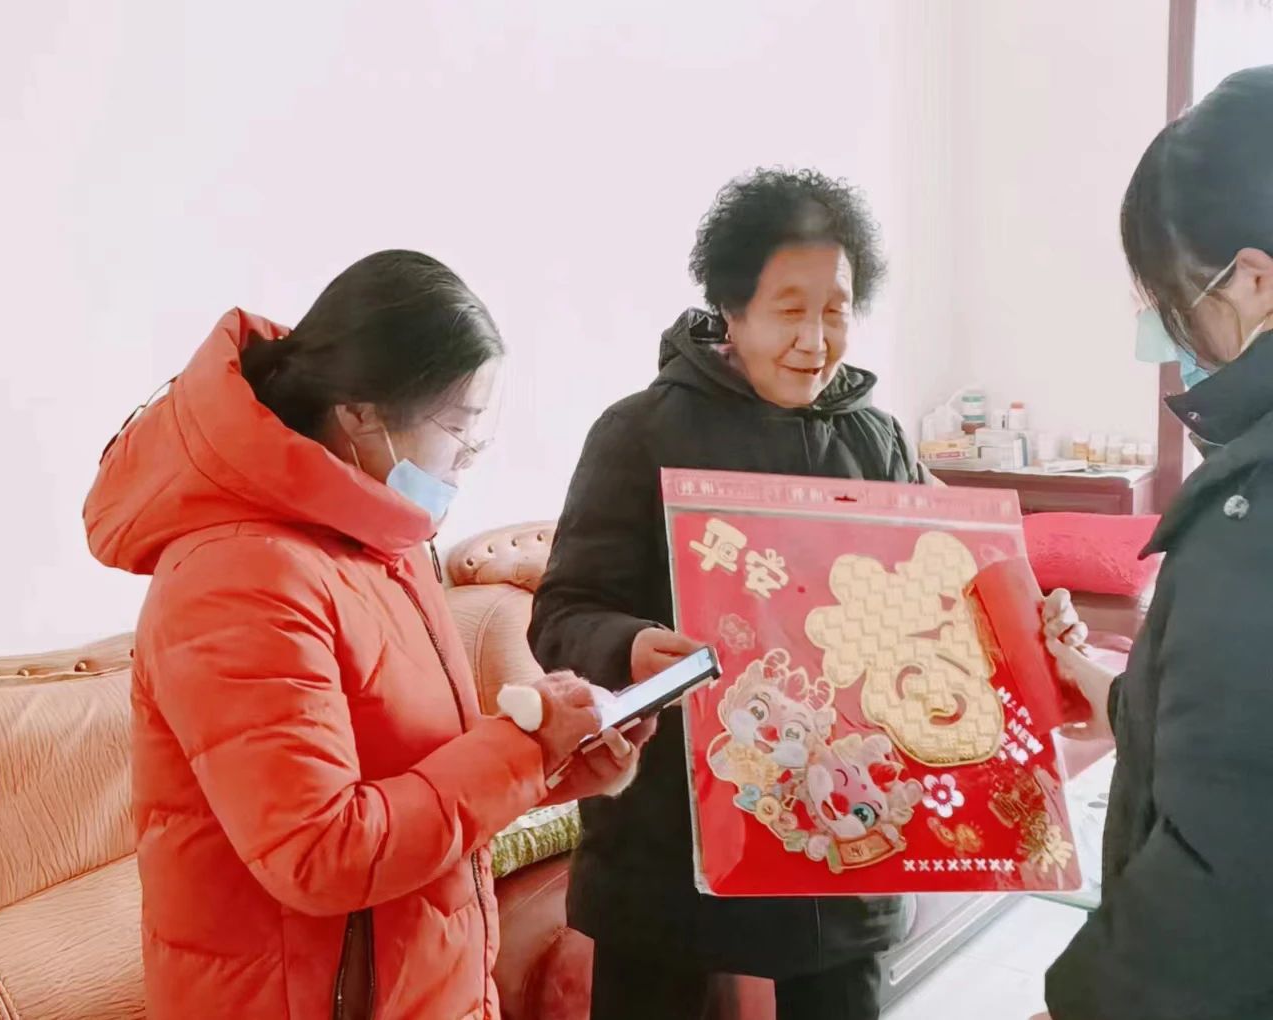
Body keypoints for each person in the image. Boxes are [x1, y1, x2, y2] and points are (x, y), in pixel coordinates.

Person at [83, 250, 653, 1020]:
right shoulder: (237, 577)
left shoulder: (382, 542)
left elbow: (417, 776)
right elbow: (322, 853)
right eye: (460, 429)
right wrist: (522, 750)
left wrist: (556, 761)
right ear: (359, 413)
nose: (469, 459)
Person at [528, 169, 928, 1020]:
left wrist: (1026, 616)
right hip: (668, 847)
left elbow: (939, 594)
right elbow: (562, 614)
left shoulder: (879, 442)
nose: (816, 340)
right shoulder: (638, 433)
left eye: (836, 310)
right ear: (731, 308)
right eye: (789, 310)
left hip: (840, 837)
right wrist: (630, 645)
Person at [1034, 66, 1273, 1020]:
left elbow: (1225, 856)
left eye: (1175, 299)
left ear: (1253, 280)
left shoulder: (1252, 503)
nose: (1173, 332)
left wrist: (1076, 1004)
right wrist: (1114, 692)